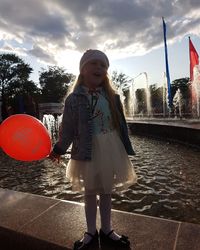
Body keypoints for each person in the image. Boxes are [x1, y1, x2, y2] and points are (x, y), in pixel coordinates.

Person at [49, 49, 137, 249]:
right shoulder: (73, 99)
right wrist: (59, 149)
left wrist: (125, 147)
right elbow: (68, 129)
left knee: (107, 192)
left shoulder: (112, 97)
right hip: (87, 151)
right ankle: (91, 231)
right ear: (82, 69)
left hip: (110, 148)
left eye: (103, 65)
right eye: (94, 63)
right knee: (89, 193)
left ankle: (107, 229)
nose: (99, 68)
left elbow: (120, 124)